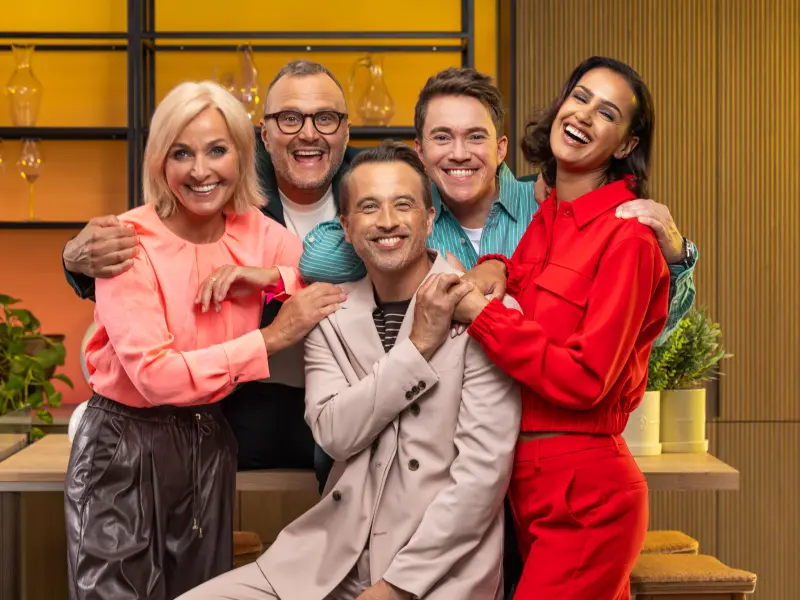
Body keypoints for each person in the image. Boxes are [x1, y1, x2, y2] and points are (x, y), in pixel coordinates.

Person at [178, 141, 522, 600]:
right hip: (331, 557)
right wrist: (417, 347)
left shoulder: (485, 310)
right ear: (345, 226)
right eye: (368, 207)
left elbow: (480, 481)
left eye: (403, 204)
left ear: (429, 219)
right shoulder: (330, 314)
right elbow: (334, 434)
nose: (387, 221)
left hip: (439, 572)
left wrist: (396, 587)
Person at [64, 81, 344, 600]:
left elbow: (337, 287)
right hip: (125, 444)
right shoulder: (127, 242)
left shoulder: (260, 234)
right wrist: (269, 338)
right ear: (158, 161)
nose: (200, 170)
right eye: (181, 153)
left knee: (202, 594)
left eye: (217, 150)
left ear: (242, 155)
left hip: (210, 441)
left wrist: (271, 278)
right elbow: (155, 376)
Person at [453, 56, 673, 599]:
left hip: (587, 492)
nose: (584, 115)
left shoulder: (628, 238)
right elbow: (532, 291)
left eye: (608, 113)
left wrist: (482, 316)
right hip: (530, 484)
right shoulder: (549, 218)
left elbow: (586, 377)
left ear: (625, 145)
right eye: (580, 97)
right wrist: (497, 265)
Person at [298, 67, 698, 350]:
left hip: (542, 425)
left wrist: (677, 257)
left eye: (475, 137)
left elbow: (646, 336)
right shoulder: (406, 224)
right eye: (442, 137)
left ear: (501, 148)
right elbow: (316, 260)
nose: (459, 153)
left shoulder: (549, 210)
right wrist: (398, 195)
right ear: (420, 151)